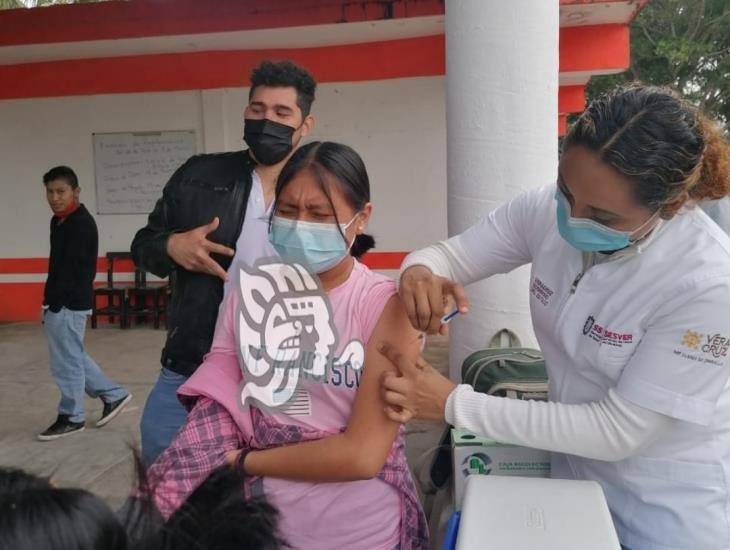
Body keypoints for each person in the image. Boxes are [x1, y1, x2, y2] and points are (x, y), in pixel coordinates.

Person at [379, 85, 730, 550]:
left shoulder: (706, 283)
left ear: (666, 207)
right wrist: (421, 272)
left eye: (601, 214)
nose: (571, 216)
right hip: (574, 485)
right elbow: (452, 255)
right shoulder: (547, 209)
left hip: (661, 510)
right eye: (567, 191)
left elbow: (617, 430)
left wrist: (451, 403)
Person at [144, 142, 428, 550]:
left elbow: (363, 455)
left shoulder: (384, 305)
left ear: (361, 217)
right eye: (289, 210)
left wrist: (241, 461)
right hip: (261, 523)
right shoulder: (248, 292)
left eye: (319, 215)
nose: (299, 225)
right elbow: (223, 385)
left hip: (356, 532)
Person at [131, 60, 317, 465]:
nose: (267, 119)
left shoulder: (321, 189)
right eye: (257, 109)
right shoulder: (199, 174)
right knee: (164, 476)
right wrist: (171, 246)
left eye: (282, 113)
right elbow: (143, 245)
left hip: (287, 374)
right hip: (192, 364)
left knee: (273, 490)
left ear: (305, 126)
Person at [39, 166, 131, 441]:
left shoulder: (80, 223)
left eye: (61, 192)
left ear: (76, 192)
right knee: (73, 356)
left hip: (68, 304)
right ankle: (114, 395)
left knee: (65, 363)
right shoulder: (59, 221)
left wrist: (57, 305)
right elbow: (57, 266)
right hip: (57, 302)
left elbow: (78, 272)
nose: (55, 198)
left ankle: (72, 416)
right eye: (50, 192)